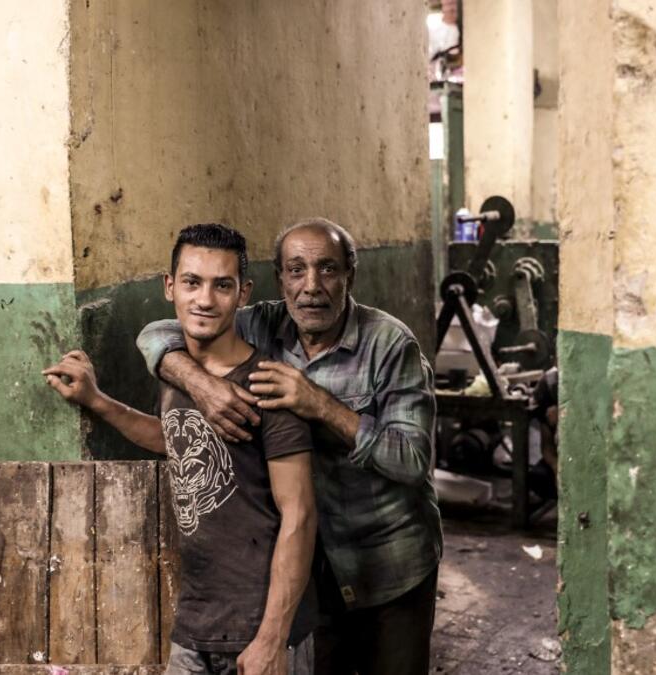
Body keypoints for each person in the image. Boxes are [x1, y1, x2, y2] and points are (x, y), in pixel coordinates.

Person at [137, 218, 442, 675]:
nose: (311, 286)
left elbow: (412, 460)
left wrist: (319, 404)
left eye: (328, 270)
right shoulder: (261, 323)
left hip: (386, 564)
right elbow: (158, 333)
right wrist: (200, 384)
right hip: (310, 573)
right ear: (279, 280)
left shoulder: (389, 344)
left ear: (350, 276)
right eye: (296, 270)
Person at [43, 224, 318, 675]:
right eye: (192, 282)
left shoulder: (268, 386)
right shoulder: (178, 374)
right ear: (170, 287)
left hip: (261, 629)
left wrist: (273, 637)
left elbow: (301, 514)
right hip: (196, 624)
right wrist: (96, 401)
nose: (205, 300)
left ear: (243, 293)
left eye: (222, 285)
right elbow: (174, 436)